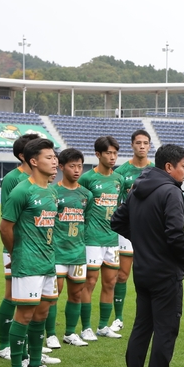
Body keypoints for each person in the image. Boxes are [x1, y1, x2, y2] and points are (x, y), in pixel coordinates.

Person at [111, 144, 184, 367]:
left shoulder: (137, 188)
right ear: (169, 167)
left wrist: (143, 242)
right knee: (166, 329)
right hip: (165, 272)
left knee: (142, 326)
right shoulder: (171, 192)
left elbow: (117, 220)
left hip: (142, 269)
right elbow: (176, 234)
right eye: (183, 166)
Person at [0, 138, 63, 367]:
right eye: (49, 157)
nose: (55, 160)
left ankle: (35, 364)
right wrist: (17, 254)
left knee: (42, 313)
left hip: (48, 261)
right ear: (33, 161)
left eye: (55, 156)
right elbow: (5, 228)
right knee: (24, 315)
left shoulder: (52, 190)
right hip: (28, 262)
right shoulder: (21, 190)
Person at [0, 133, 41, 360]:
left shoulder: (41, 181)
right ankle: (5, 344)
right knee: (12, 295)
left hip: (37, 250)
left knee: (35, 301)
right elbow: (8, 219)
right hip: (17, 247)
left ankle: (31, 350)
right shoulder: (13, 179)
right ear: (26, 156)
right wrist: (14, 250)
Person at [78, 136, 125, 341]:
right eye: (108, 153)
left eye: (115, 153)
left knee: (110, 283)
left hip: (112, 239)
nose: (112, 157)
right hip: (92, 239)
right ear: (98, 154)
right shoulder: (87, 179)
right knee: (90, 281)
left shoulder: (119, 180)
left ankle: (103, 326)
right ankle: (86, 327)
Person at [112, 130, 152, 332]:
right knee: (123, 274)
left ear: (150, 146)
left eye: (145, 143)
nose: (142, 146)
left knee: (149, 274)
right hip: (129, 229)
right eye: (138, 143)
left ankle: (146, 315)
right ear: (132, 145)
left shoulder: (156, 170)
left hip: (150, 230)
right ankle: (118, 317)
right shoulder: (121, 173)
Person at [52, 149, 93, 348]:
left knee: (76, 294)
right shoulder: (53, 192)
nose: (77, 170)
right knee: (54, 294)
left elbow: (87, 221)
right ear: (61, 167)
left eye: (80, 166)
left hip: (78, 254)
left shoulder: (86, 195)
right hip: (57, 253)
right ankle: (50, 334)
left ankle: (70, 332)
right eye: (72, 166)